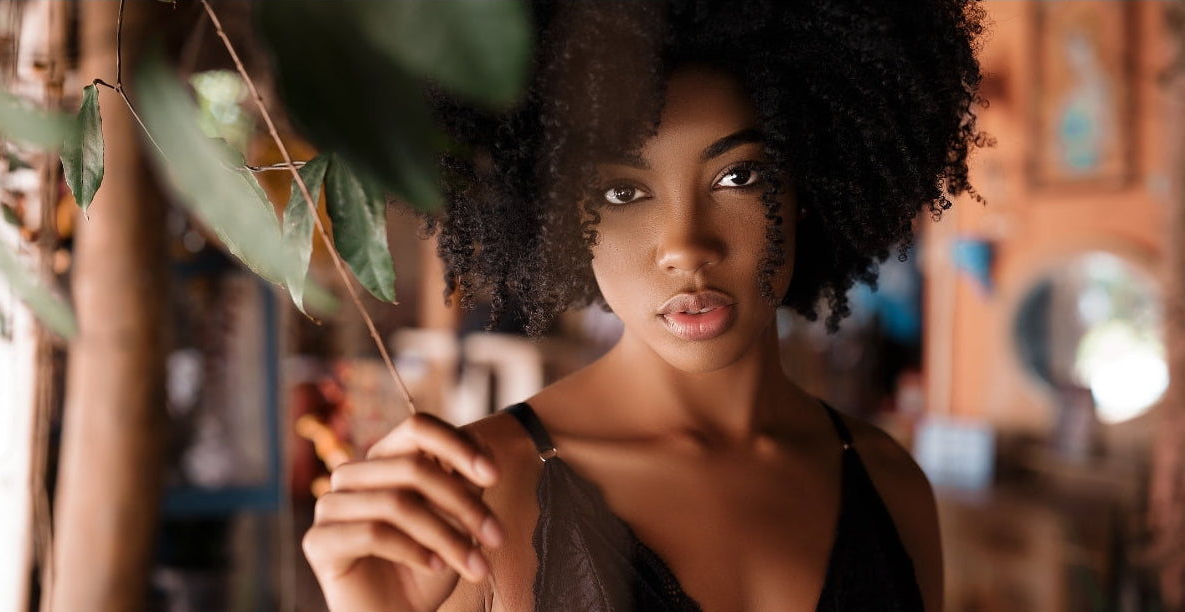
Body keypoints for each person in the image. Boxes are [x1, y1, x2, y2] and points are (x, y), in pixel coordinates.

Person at [301, 1, 987, 610]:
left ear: (805, 186)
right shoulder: (477, 502)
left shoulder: (891, 486)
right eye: (622, 192)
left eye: (738, 176)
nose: (686, 247)